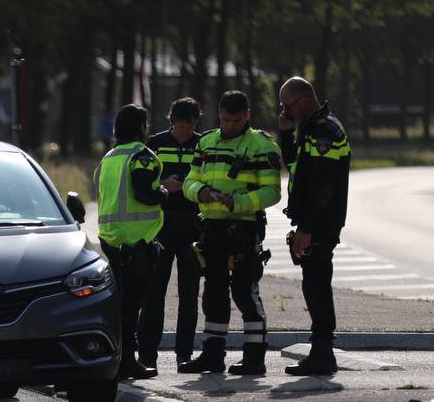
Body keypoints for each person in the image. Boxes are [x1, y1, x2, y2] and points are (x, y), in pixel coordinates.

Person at [179, 90, 282, 376]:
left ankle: (254, 358)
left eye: (235, 121)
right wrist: (201, 192)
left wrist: (237, 202)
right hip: (211, 227)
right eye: (225, 120)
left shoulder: (261, 145)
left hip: (244, 228)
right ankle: (213, 355)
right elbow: (190, 181)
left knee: (245, 291)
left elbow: (272, 191)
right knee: (212, 293)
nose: (230, 126)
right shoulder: (207, 142)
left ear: (247, 116)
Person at [277, 76, 350, 376]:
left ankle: (323, 354)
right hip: (312, 222)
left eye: (287, 106)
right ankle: (321, 351)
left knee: (317, 285)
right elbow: (295, 165)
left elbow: (323, 187)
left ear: (303, 101)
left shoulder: (326, 132)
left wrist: (307, 228)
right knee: (313, 283)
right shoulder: (309, 129)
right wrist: (285, 133)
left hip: (320, 223)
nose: (284, 111)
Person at [94, 103, 167, 379]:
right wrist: (163, 193)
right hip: (137, 242)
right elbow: (143, 193)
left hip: (111, 241)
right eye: (146, 124)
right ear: (141, 127)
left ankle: (119, 358)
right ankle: (127, 361)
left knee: (119, 303)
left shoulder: (109, 157)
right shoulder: (142, 156)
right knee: (132, 306)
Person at [136, 97, 205, 368]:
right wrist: (163, 184)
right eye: (181, 126)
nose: (186, 131)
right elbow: (140, 181)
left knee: (189, 292)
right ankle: (147, 354)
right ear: (171, 120)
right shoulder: (154, 143)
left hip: (193, 224)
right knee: (154, 291)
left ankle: (184, 354)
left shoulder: (203, 144)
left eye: (191, 126)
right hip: (161, 225)